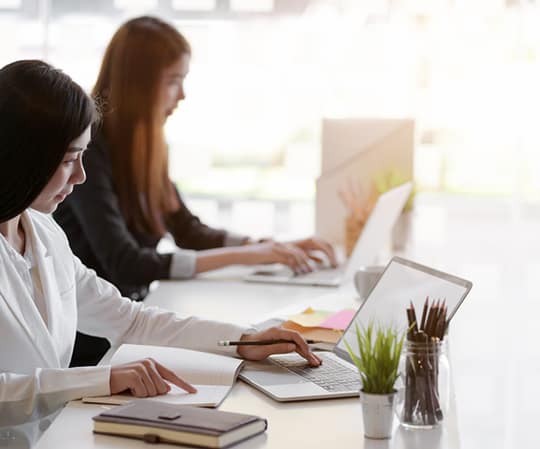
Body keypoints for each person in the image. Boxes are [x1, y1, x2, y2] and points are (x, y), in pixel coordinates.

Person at [0, 60, 320, 449]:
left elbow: (128, 318)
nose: (81, 176)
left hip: (48, 436)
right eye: (69, 158)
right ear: (19, 157)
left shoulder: (41, 231)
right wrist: (103, 378)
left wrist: (241, 340)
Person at [53, 16, 337, 364]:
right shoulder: (91, 150)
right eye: (174, 81)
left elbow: (186, 229)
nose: (183, 95)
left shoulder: (146, 144)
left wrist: (265, 246)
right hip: (95, 339)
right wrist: (247, 256)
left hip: (136, 319)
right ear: (138, 83)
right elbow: (125, 262)